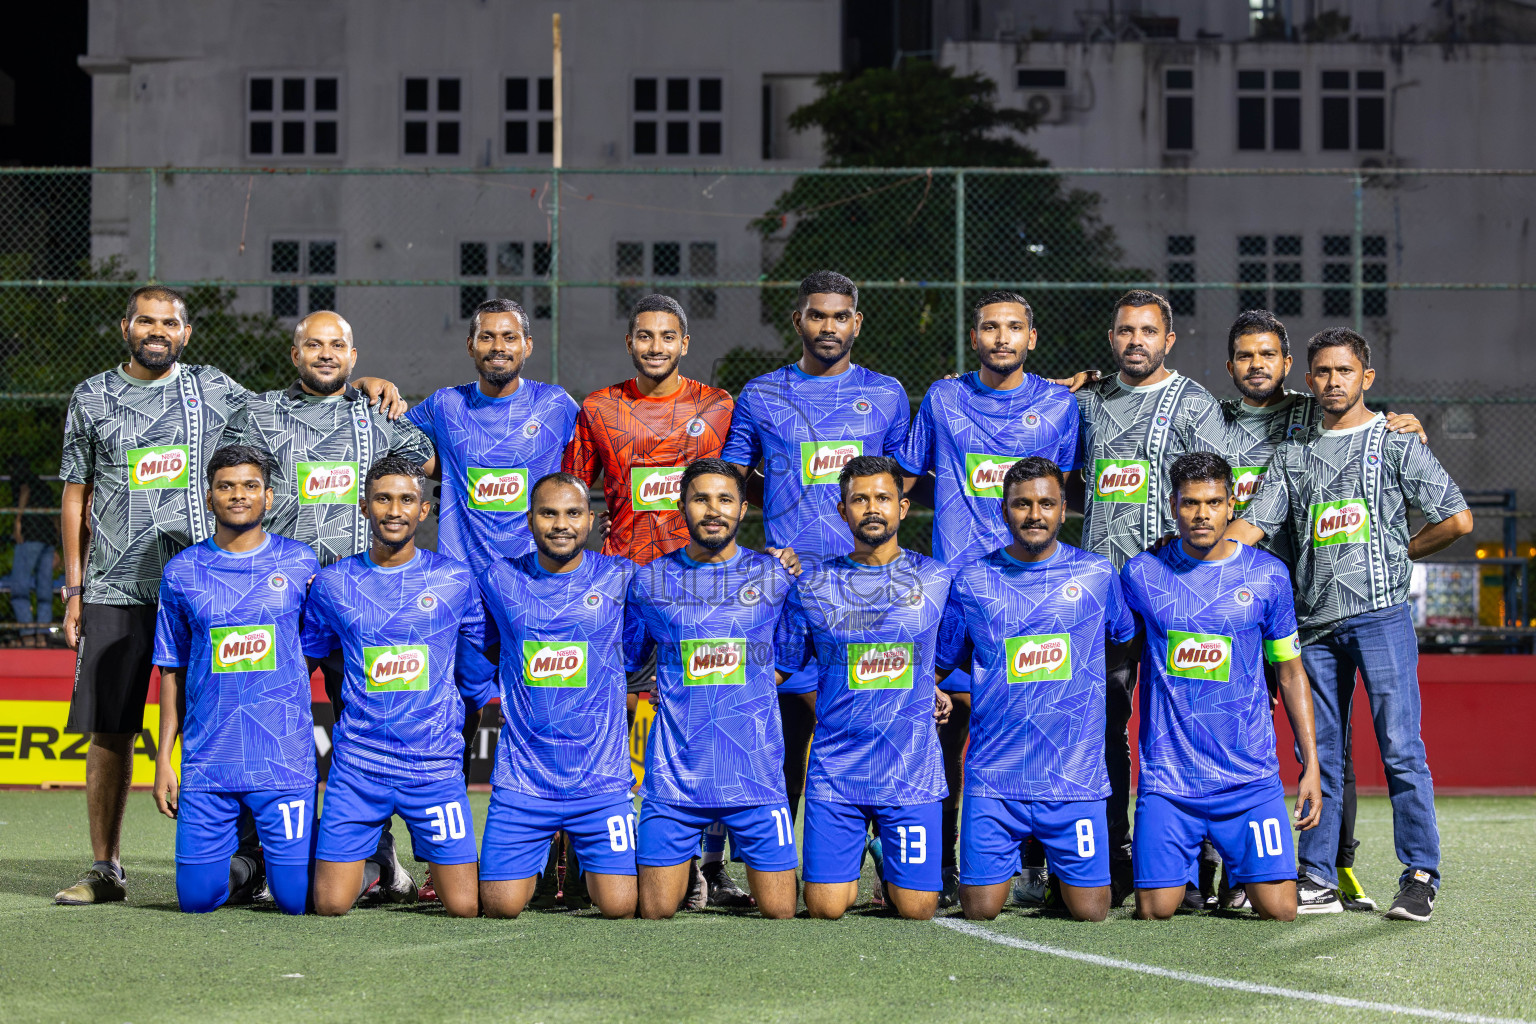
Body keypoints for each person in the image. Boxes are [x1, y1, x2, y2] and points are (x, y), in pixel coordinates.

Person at [53, 285, 401, 905]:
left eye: (169, 322)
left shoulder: (216, 391)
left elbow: (300, 397)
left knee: (298, 715)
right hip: (117, 586)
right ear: (126, 326)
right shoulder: (91, 396)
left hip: (215, 583)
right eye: (145, 320)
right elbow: (75, 491)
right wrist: (75, 584)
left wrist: (358, 383)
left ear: (186, 333)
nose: (156, 331)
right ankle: (107, 867)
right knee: (111, 727)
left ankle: (344, 856)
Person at [1230, 327, 1473, 922]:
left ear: (1365, 377)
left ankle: (1419, 874)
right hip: (1312, 626)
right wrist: (1193, 562)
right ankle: (1316, 876)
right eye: (1322, 372)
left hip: (1380, 616)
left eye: (1345, 371)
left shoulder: (1395, 443)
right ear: (1308, 380)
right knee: (1322, 754)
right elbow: (1253, 527)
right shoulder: (1292, 454)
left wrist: (1404, 552)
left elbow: (1459, 521)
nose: (1333, 381)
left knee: (1400, 748)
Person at [721, 269, 910, 889]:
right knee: (778, 741)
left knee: (874, 726)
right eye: (817, 315)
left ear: (857, 322)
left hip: (869, 592)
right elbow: (727, 483)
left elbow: (899, 482)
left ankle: (894, 860)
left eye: (840, 316)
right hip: (788, 596)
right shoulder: (760, 394)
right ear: (797, 320)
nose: (828, 326)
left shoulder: (886, 394)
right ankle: (765, 870)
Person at [897, 290, 1080, 906]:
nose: (1001, 337)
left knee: (1037, 727)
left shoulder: (1060, 405)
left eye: (1013, 328)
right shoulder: (944, 398)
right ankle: (943, 864)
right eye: (989, 328)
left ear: (1031, 337)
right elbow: (902, 477)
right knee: (944, 736)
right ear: (973, 337)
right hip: (952, 596)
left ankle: (1040, 863)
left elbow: (1078, 484)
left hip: (1032, 593)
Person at [239, 310, 429, 900]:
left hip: (361, 605)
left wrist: (380, 393)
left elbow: (423, 460)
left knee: (368, 728)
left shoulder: (378, 415)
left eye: (338, 345)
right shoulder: (258, 413)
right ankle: (263, 856)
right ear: (294, 354)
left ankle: (379, 859)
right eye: (314, 344)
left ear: (353, 356)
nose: (326, 353)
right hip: (279, 602)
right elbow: (228, 482)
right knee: (267, 723)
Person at [561, 292, 735, 908]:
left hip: (700, 593)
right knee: (603, 721)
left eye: (667, 336)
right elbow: (572, 498)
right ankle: (588, 856)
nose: (655, 346)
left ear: (684, 343)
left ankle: (706, 864)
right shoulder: (598, 408)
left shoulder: (718, 408)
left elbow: (737, 492)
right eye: (644, 336)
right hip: (623, 591)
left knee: (703, 721)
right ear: (630, 342)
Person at [405, 297, 580, 902]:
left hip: (542, 590)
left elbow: (586, 481)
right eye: (486, 337)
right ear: (472, 346)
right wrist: (374, 387)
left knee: (553, 716)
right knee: (453, 723)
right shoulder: (445, 407)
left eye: (509, 336)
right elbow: (391, 438)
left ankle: (562, 866)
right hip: (464, 595)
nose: (498, 346)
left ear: (527, 346)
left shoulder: (559, 408)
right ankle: (441, 862)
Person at [1071, 288, 1230, 905]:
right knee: (1105, 730)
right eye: (1124, 331)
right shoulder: (1088, 403)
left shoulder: (1194, 403)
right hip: (1102, 600)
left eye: (1146, 331)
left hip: (1178, 597)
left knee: (1179, 730)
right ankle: (1107, 856)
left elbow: (1221, 491)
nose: (1134, 340)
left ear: (1168, 339)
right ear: (1111, 339)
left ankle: (1189, 869)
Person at [1121, 452, 1322, 922]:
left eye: (1213, 502)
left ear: (1232, 505)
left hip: (1248, 779)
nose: (1201, 514)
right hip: (1170, 780)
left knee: (1281, 911)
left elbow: (1290, 671)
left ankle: (1237, 872)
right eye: (1190, 503)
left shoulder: (1268, 575)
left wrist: (1310, 764)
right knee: (1155, 910)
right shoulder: (1142, 575)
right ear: (1173, 505)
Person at [935, 457, 1132, 922]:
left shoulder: (1097, 576)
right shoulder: (971, 579)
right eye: (1022, 504)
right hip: (994, 778)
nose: (1034, 514)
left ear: (1065, 510)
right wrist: (935, 690)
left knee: (1091, 913)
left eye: (1046, 503)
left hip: (1073, 780)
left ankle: (1059, 876)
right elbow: (941, 661)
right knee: (980, 910)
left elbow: (1123, 636)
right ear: (1004, 511)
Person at [301, 456, 495, 918]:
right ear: (364, 507)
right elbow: (308, 656)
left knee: (466, 907)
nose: (394, 510)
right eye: (382, 499)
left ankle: (386, 859)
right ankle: (381, 864)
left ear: (423, 510)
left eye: (406, 499)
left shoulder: (455, 580)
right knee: (329, 904)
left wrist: (459, 708)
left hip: (433, 765)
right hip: (359, 764)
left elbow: (478, 658)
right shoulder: (332, 583)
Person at [775, 455, 952, 921]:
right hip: (838, 770)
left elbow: (950, 653)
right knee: (825, 909)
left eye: (882, 498)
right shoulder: (812, 585)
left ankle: (886, 858)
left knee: (917, 911)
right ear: (842, 510)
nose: (872, 508)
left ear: (903, 507)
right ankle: (865, 852)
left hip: (910, 769)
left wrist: (932, 688)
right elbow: (785, 664)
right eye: (859, 499)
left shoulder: (938, 579)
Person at [625, 459, 799, 920]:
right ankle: (693, 870)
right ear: (682, 505)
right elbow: (627, 657)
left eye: (725, 499)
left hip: (754, 777)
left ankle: (709, 867)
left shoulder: (776, 577)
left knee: (782, 911)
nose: (713, 510)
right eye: (701, 498)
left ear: (744, 509)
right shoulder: (648, 580)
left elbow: (788, 656)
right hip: (675, 780)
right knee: (654, 912)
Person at [150, 445, 319, 915]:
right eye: (225, 486)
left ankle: (363, 865)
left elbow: (323, 654)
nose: (237, 495)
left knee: (298, 901)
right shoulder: (182, 572)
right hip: (209, 761)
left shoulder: (302, 565)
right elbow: (172, 669)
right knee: (197, 901)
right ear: (209, 497)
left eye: (249, 486)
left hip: (282, 759)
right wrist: (166, 759)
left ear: (268, 496)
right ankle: (247, 868)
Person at [473, 472, 637, 920]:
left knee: (621, 908)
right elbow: (474, 647)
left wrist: (777, 564)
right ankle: (545, 863)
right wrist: (483, 693)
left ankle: (582, 865)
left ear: (590, 521)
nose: (560, 523)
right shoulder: (498, 579)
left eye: (572, 513)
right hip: (524, 781)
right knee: (500, 908)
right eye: (548, 513)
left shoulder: (623, 578)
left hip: (600, 780)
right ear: (529, 520)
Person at [9, 457, 60, 647]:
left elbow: (25, 491)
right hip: (46, 538)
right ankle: (41, 635)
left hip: (31, 536)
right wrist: (55, 544)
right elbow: (55, 515)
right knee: (44, 588)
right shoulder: (44, 486)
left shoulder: (22, 481)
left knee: (19, 587)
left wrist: (18, 521)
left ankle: (29, 633)